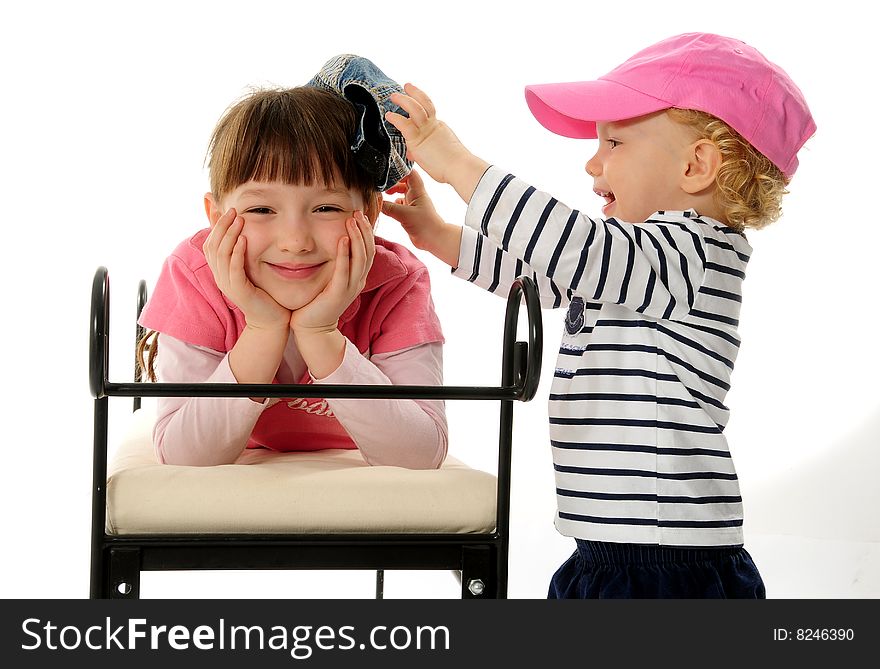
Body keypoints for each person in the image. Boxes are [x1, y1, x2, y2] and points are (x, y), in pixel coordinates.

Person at [381, 32, 815, 597]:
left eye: (614, 143)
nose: (592, 162)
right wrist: (438, 234)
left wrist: (455, 161)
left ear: (697, 166)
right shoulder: (639, 265)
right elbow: (544, 276)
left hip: (665, 561)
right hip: (610, 546)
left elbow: (573, 247)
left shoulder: (691, 252)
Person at [136, 55, 447, 470]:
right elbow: (184, 458)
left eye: (326, 208)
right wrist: (263, 329)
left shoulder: (396, 282)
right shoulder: (196, 277)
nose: (296, 242)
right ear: (215, 220)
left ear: (370, 215)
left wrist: (320, 332)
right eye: (262, 210)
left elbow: (421, 456)